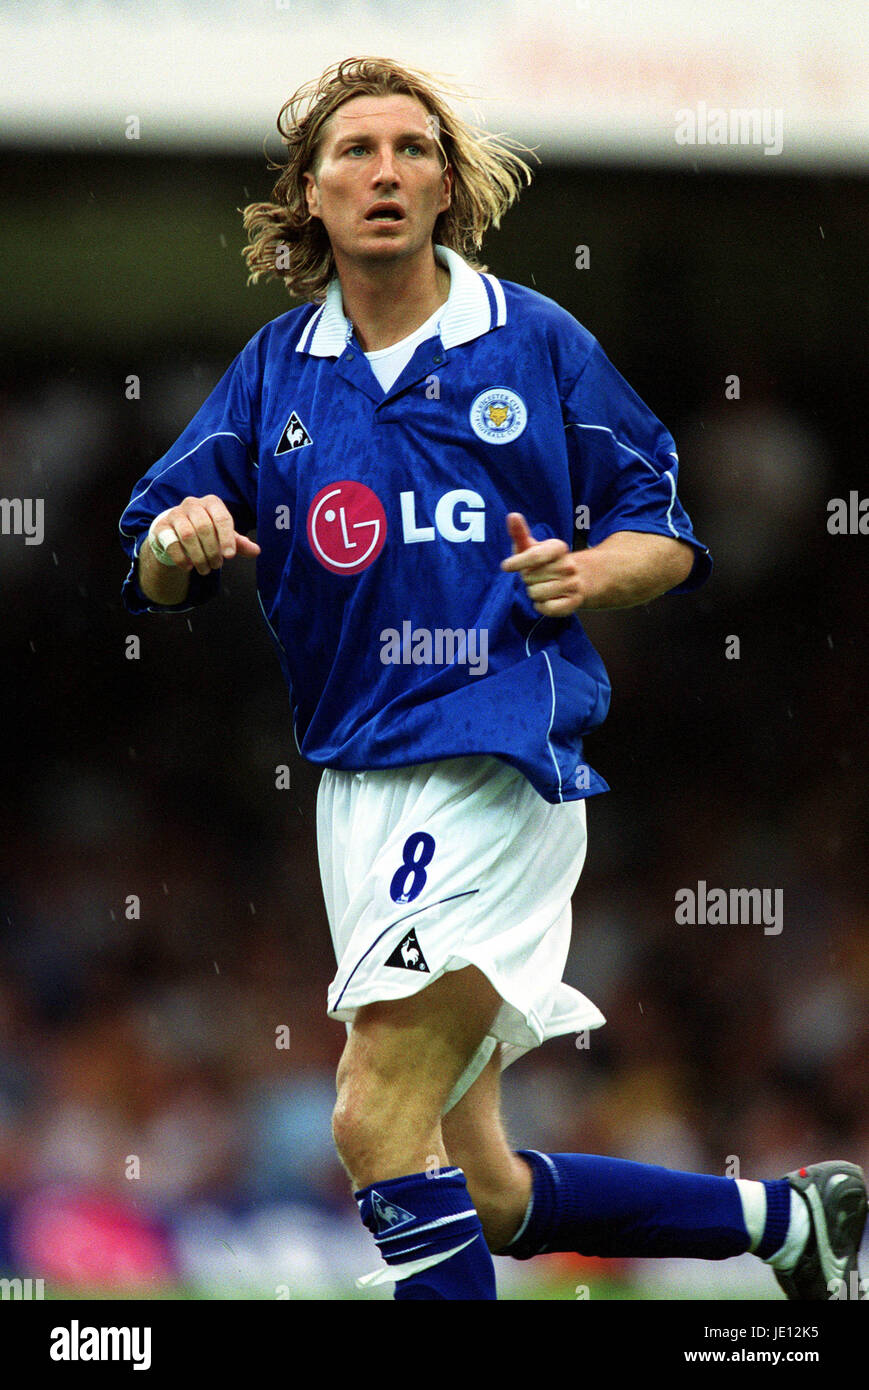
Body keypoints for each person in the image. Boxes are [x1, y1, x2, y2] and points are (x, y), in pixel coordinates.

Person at [119, 56, 866, 1301]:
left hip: (494, 763)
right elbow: (153, 553)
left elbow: (663, 527)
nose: (385, 171)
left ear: (445, 185)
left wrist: (591, 576)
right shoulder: (275, 372)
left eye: (414, 149)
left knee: (368, 1116)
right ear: (308, 193)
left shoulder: (532, 339)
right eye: (354, 150)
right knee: (484, 1190)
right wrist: (176, 541)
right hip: (357, 788)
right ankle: (790, 1220)